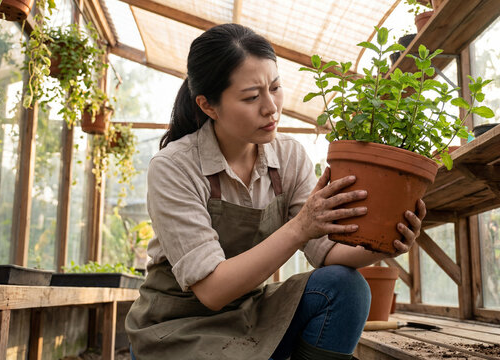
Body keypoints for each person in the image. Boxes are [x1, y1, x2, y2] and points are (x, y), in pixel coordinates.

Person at [125, 23, 425, 360]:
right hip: (176, 328)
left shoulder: (288, 155)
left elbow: (325, 251)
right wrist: (300, 227)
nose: (271, 107)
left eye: (276, 87)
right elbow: (212, 290)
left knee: (346, 287)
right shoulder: (174, 167)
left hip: (249, 314)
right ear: (209, 106)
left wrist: (384, 244)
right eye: (252, 97)